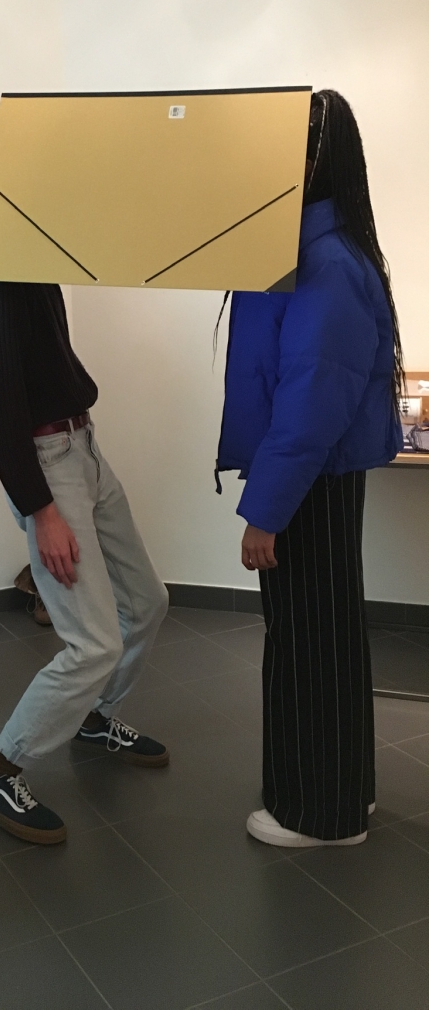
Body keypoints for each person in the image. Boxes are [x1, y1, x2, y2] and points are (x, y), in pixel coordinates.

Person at [0, 111, 170, 846]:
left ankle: (94, 718)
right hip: (49, 462)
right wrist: (40, 509)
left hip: (84, 446)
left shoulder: (34, 248)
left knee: (148, 602)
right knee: (94, 641)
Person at [216, 89, 404, 848]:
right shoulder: (310, 249)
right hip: (314, 478)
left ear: (314, 160)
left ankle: (320, 815)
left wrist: (265, 512)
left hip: (307, 484)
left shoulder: (323, 262)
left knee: (308, 644)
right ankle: (342, 793)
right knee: (323, 635)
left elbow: (310, 405)